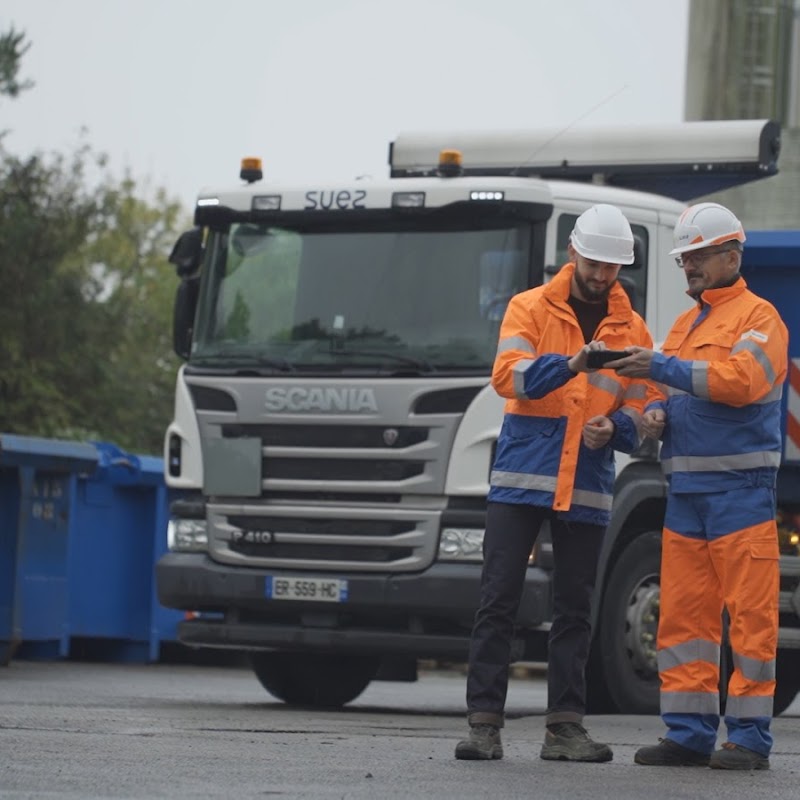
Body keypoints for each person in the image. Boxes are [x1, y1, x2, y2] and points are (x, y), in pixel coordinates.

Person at [454, 204, 654, 763]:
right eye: (594, 263)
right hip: (523, 480)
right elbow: (507, 376)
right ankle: (484, 725)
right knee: (497, 600)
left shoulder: (633, 330)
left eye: (612, 267)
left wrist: (613, 427)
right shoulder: (529, 307)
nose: (601, 276)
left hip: (587, 481)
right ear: (572, 253)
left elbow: (646, 410)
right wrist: (571, 364)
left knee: (575, 609)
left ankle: (565, 729)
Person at [611, 202, 788, 771]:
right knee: (684, 619)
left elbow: (741, 381)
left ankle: (749, 739)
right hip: (685, 495)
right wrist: (655, 412)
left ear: (730, 255)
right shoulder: (687, 325)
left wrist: (660, 371)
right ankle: (687, 732)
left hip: (741, 494)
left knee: (750, 618)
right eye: (684, 258)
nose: (687, 265)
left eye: (697, 256)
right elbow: (672, 390)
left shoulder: (761, 319)